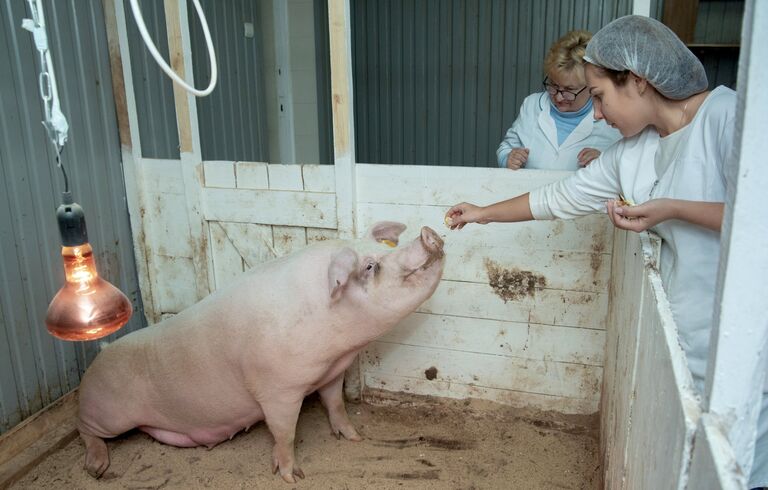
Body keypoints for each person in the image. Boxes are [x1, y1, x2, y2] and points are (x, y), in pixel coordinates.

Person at [447, 15, 766, 487]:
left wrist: (672, 209)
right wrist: (483, 213)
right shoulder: (632, 151)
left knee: (738, 467)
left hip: (739, 347)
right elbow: (558, 198)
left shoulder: (726, 116)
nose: (596, 114)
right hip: (682, 343)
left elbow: (758, 217)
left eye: (598, 97)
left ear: (636, 80)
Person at [496, 30, 620, 171]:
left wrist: (605, 164)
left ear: (591, 87)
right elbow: (506, 148)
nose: (558, 97)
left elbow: (628, 169)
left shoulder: (611, 119)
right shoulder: (531, 105)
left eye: (569, 90)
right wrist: (508, 158)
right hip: (531, 191)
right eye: (554, 85)